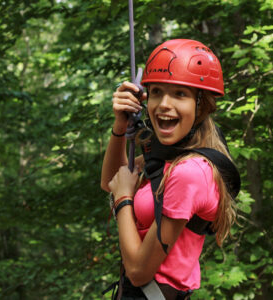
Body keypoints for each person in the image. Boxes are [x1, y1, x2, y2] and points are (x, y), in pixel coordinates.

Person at [101, 39, 240, 300]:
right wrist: (120, 126)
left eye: (180, 94)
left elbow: (139, 271)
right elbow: (113, 179)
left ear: (201, 105)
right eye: (156, 92)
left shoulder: (190, 172)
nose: (164, 104)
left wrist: (123, 200)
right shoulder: (168, 159)